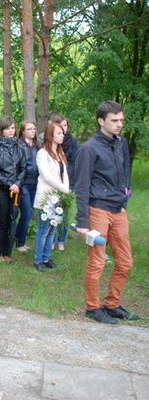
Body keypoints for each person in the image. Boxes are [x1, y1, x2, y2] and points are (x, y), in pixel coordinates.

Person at [75, 101, 138, 324]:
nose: (119, 124)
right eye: (114, 120)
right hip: (98, 211)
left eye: (121, 120)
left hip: (118, 210)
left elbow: (124, 176)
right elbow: (81, 187)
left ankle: (112, 304)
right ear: (101, 121)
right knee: (97, 263)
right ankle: (93, 307)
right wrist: (82, 221)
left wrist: (124, 203)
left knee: (125, 262)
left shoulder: (120, 144)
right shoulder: (88, 149)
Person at [32, 122, 69, 272]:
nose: (62, 135)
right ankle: (38, 260)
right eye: (59, 133)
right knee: (44, 229)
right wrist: (63, 188)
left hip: (58, 196)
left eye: (62, 133)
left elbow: (64, 173)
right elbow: (46, 176)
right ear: (50, 135)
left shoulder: (60, 153)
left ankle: (46, 258)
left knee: (53, 228)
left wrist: (65, 188)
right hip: (46, 196)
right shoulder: (42, 154)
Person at [0, 116, 26, 262]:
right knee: (2, 221)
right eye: (7, 128)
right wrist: (8, 184)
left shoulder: (20, 149)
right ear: (2, 130)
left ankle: (8, 253)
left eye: (12, 128)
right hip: (1, 190)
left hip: (16, 190)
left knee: (13, 220)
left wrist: (17, 183)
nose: (11, 131)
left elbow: (24, 168)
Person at [54, 115, 78, 251]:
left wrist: (65, 178)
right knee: (52, 212)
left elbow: (74, 163)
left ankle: (61, 240)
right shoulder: (51, 141)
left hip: (68, 182)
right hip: (53, 182)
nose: (63, 128)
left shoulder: (73, 142)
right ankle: (51, 240)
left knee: (65, 214)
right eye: (60, 125)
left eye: (65, 125)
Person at [15, 121, 40, 252]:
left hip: (34, 183)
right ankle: (19, 242)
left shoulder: (36, 145)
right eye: (29, 129)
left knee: (28, 213)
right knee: (26, 213)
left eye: (34, 129)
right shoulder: (19, 145)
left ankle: (20, 239)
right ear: (23, 131)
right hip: (23, 184)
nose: (32, 131)